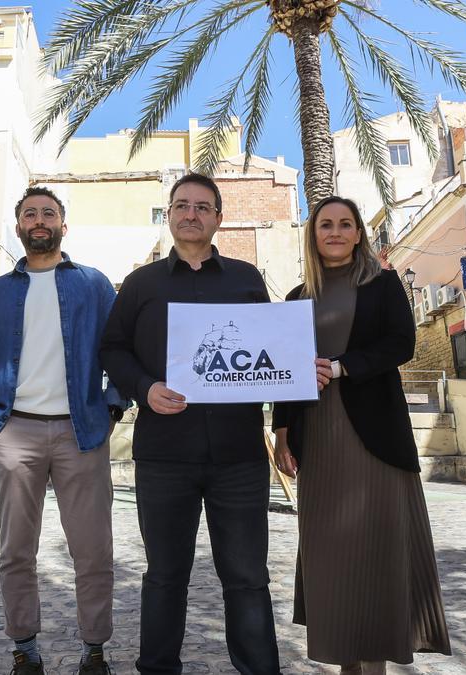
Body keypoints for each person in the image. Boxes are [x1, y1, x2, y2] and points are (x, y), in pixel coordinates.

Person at [101, 173, 329, 674]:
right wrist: (144, 387)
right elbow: (113, 348)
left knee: (247, 577)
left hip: (239, 457)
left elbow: (273, 349)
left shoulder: (247, 280)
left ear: (218, 219)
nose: (191, 214)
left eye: (203, 207)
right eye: (182, 205)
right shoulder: (142, 284)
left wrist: (300, 368)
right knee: (164, 575)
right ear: (170, 215)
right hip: (163, 454)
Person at [272, 196, 452, 674]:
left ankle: (376, 666)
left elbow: (402, 343)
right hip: (318, 437)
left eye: (345, 224)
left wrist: (342, 366)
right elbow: (287, 370)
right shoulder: (295, 299)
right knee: (330, 556)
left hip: (376, 436)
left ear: (358, 234)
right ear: (312, 235)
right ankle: (344, 665)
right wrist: (282, 432)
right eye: (325, 224)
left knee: (378, 550)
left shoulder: (383, 284)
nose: (335, 231)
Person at [0, 186, 123, 675]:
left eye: (48, 213)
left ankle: (94, 651)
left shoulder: (95, 285)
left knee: (93, 551)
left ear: (62, 225)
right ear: (18, 228)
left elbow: (120, 348)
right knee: (16, 550)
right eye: (29, 214)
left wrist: (114, 405)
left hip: (84, 433)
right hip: (16, 433)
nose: (39, 221)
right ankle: (24, 649)